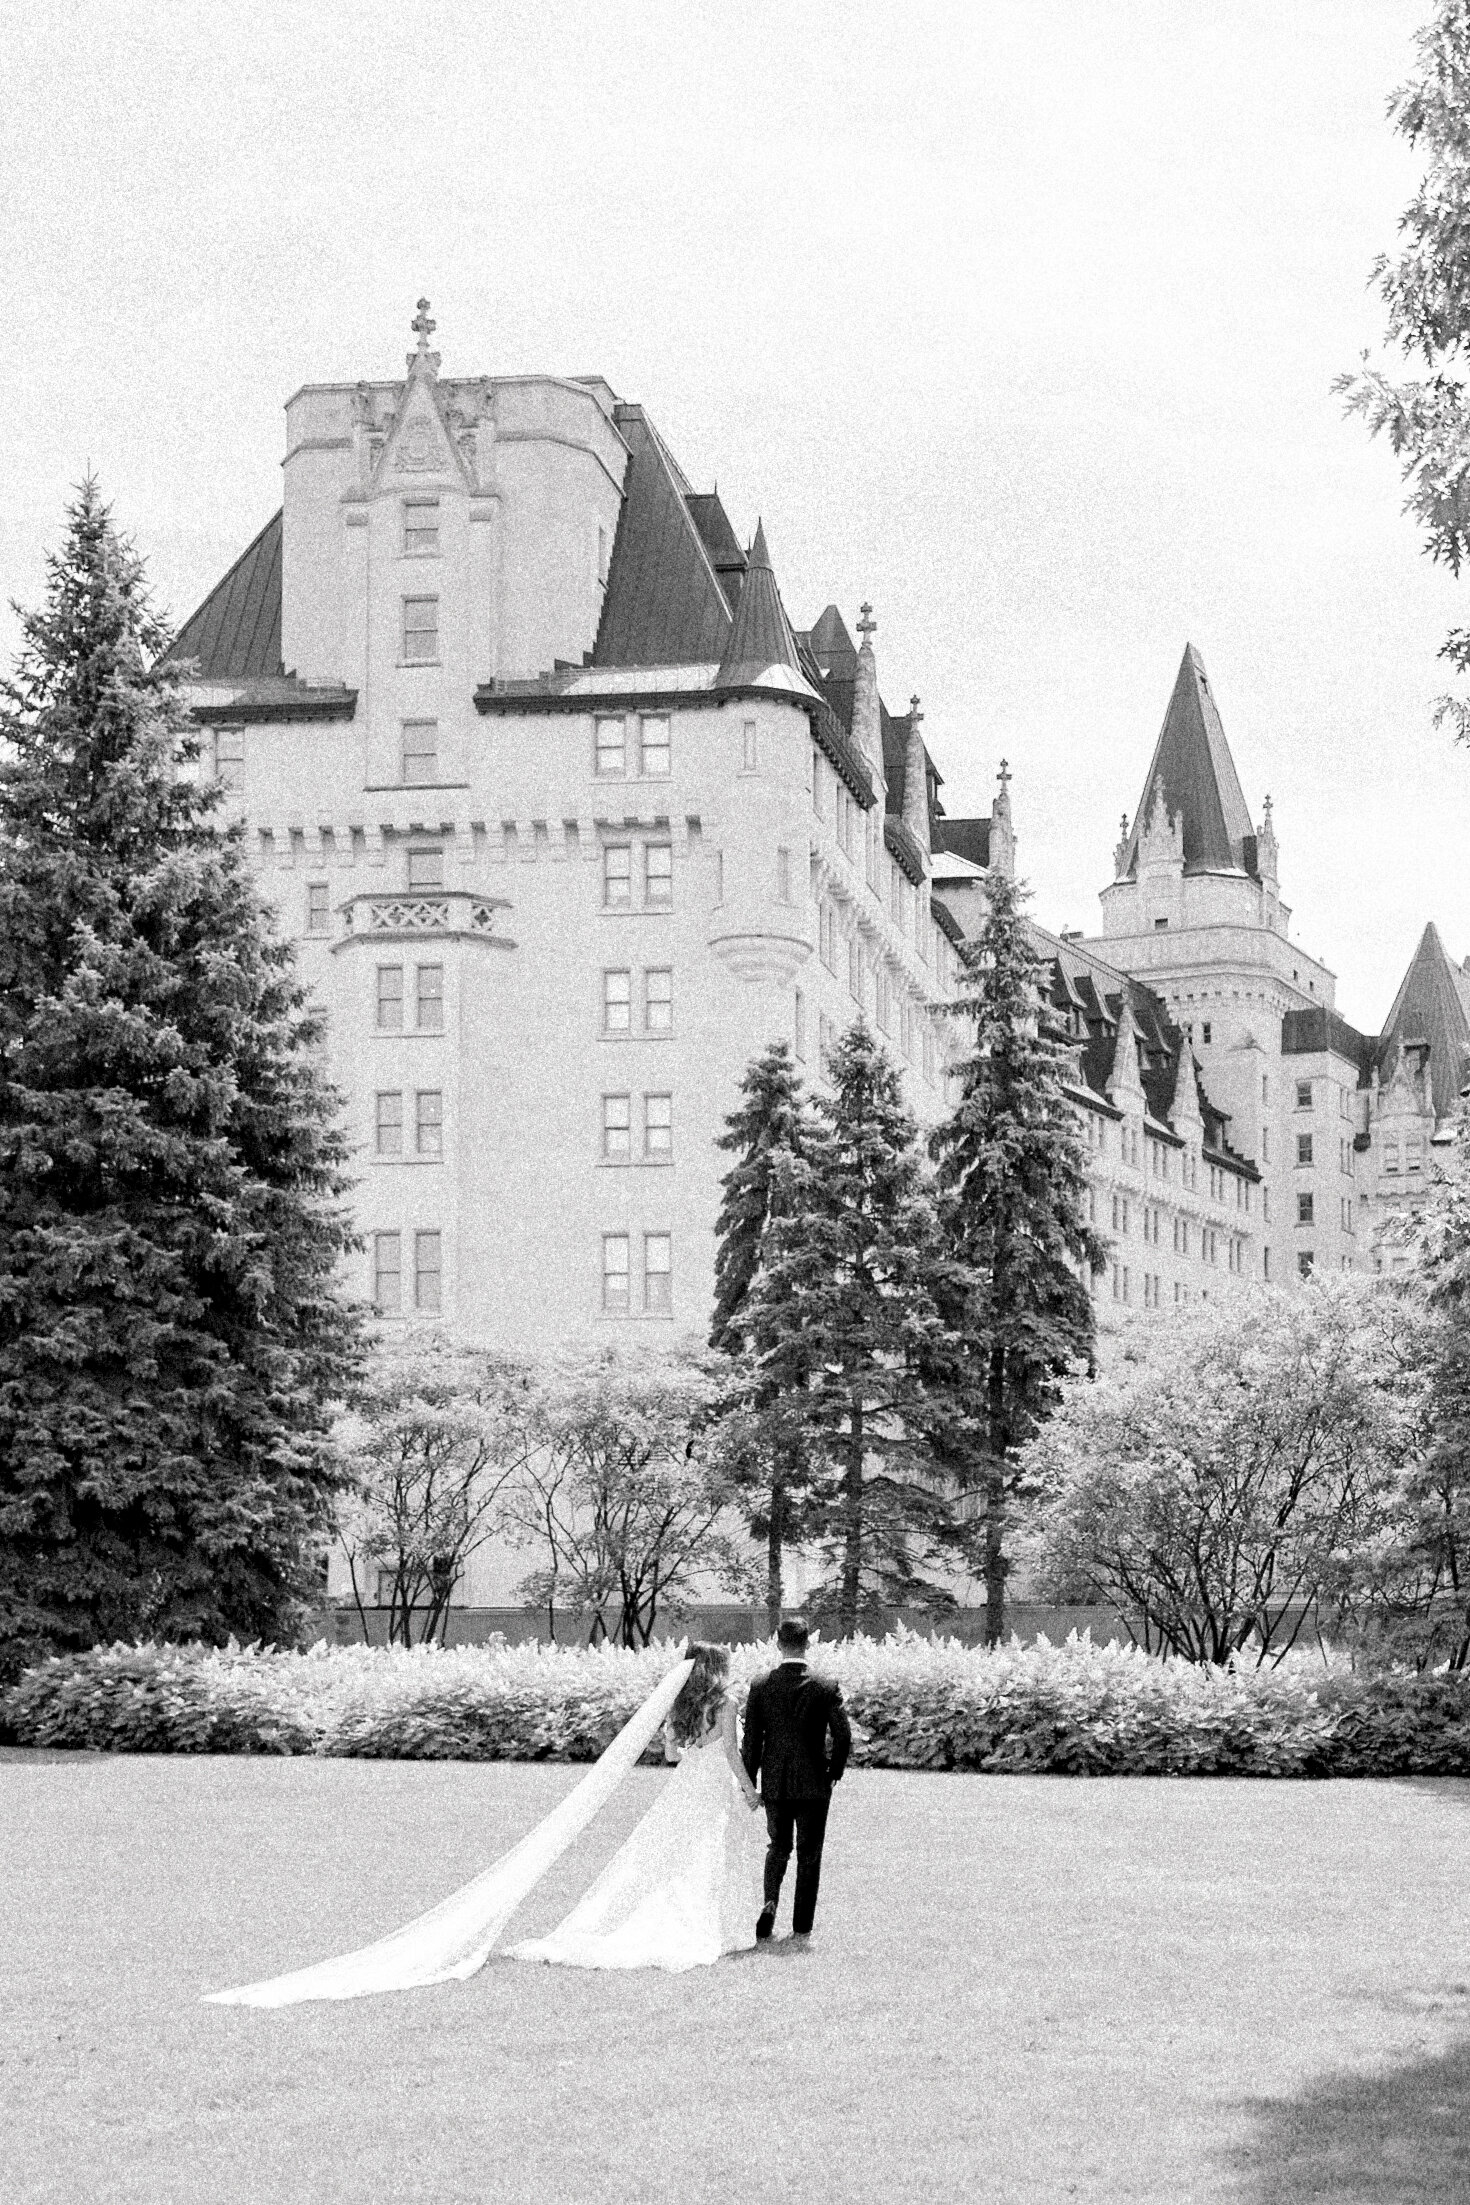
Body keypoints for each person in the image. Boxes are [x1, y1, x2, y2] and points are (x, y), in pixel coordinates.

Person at [507, 1642, 765, 1973]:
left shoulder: (679, 1703)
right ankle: (721, 1926)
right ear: (718, 1667)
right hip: (715, 1783)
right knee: (715, 1850)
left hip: (688, 1781)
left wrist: (697, 1756)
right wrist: (749, 1788)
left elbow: (672, 1754)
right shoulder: (725, 1702)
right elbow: (731, 1750)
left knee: (676, 1850)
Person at [741, 1615, 852, 1946]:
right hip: (814, 1781)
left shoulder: (761, 1685)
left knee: (777, 1847)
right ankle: (801, 1927)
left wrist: (749, 1780)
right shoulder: (825, 1684)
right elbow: (843, 1735)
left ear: (778, 1643)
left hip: (774, 1779)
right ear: (808, 1643)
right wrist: (834, 1771)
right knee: (809, 1854)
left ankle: (767, 1912)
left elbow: (752, 1740)